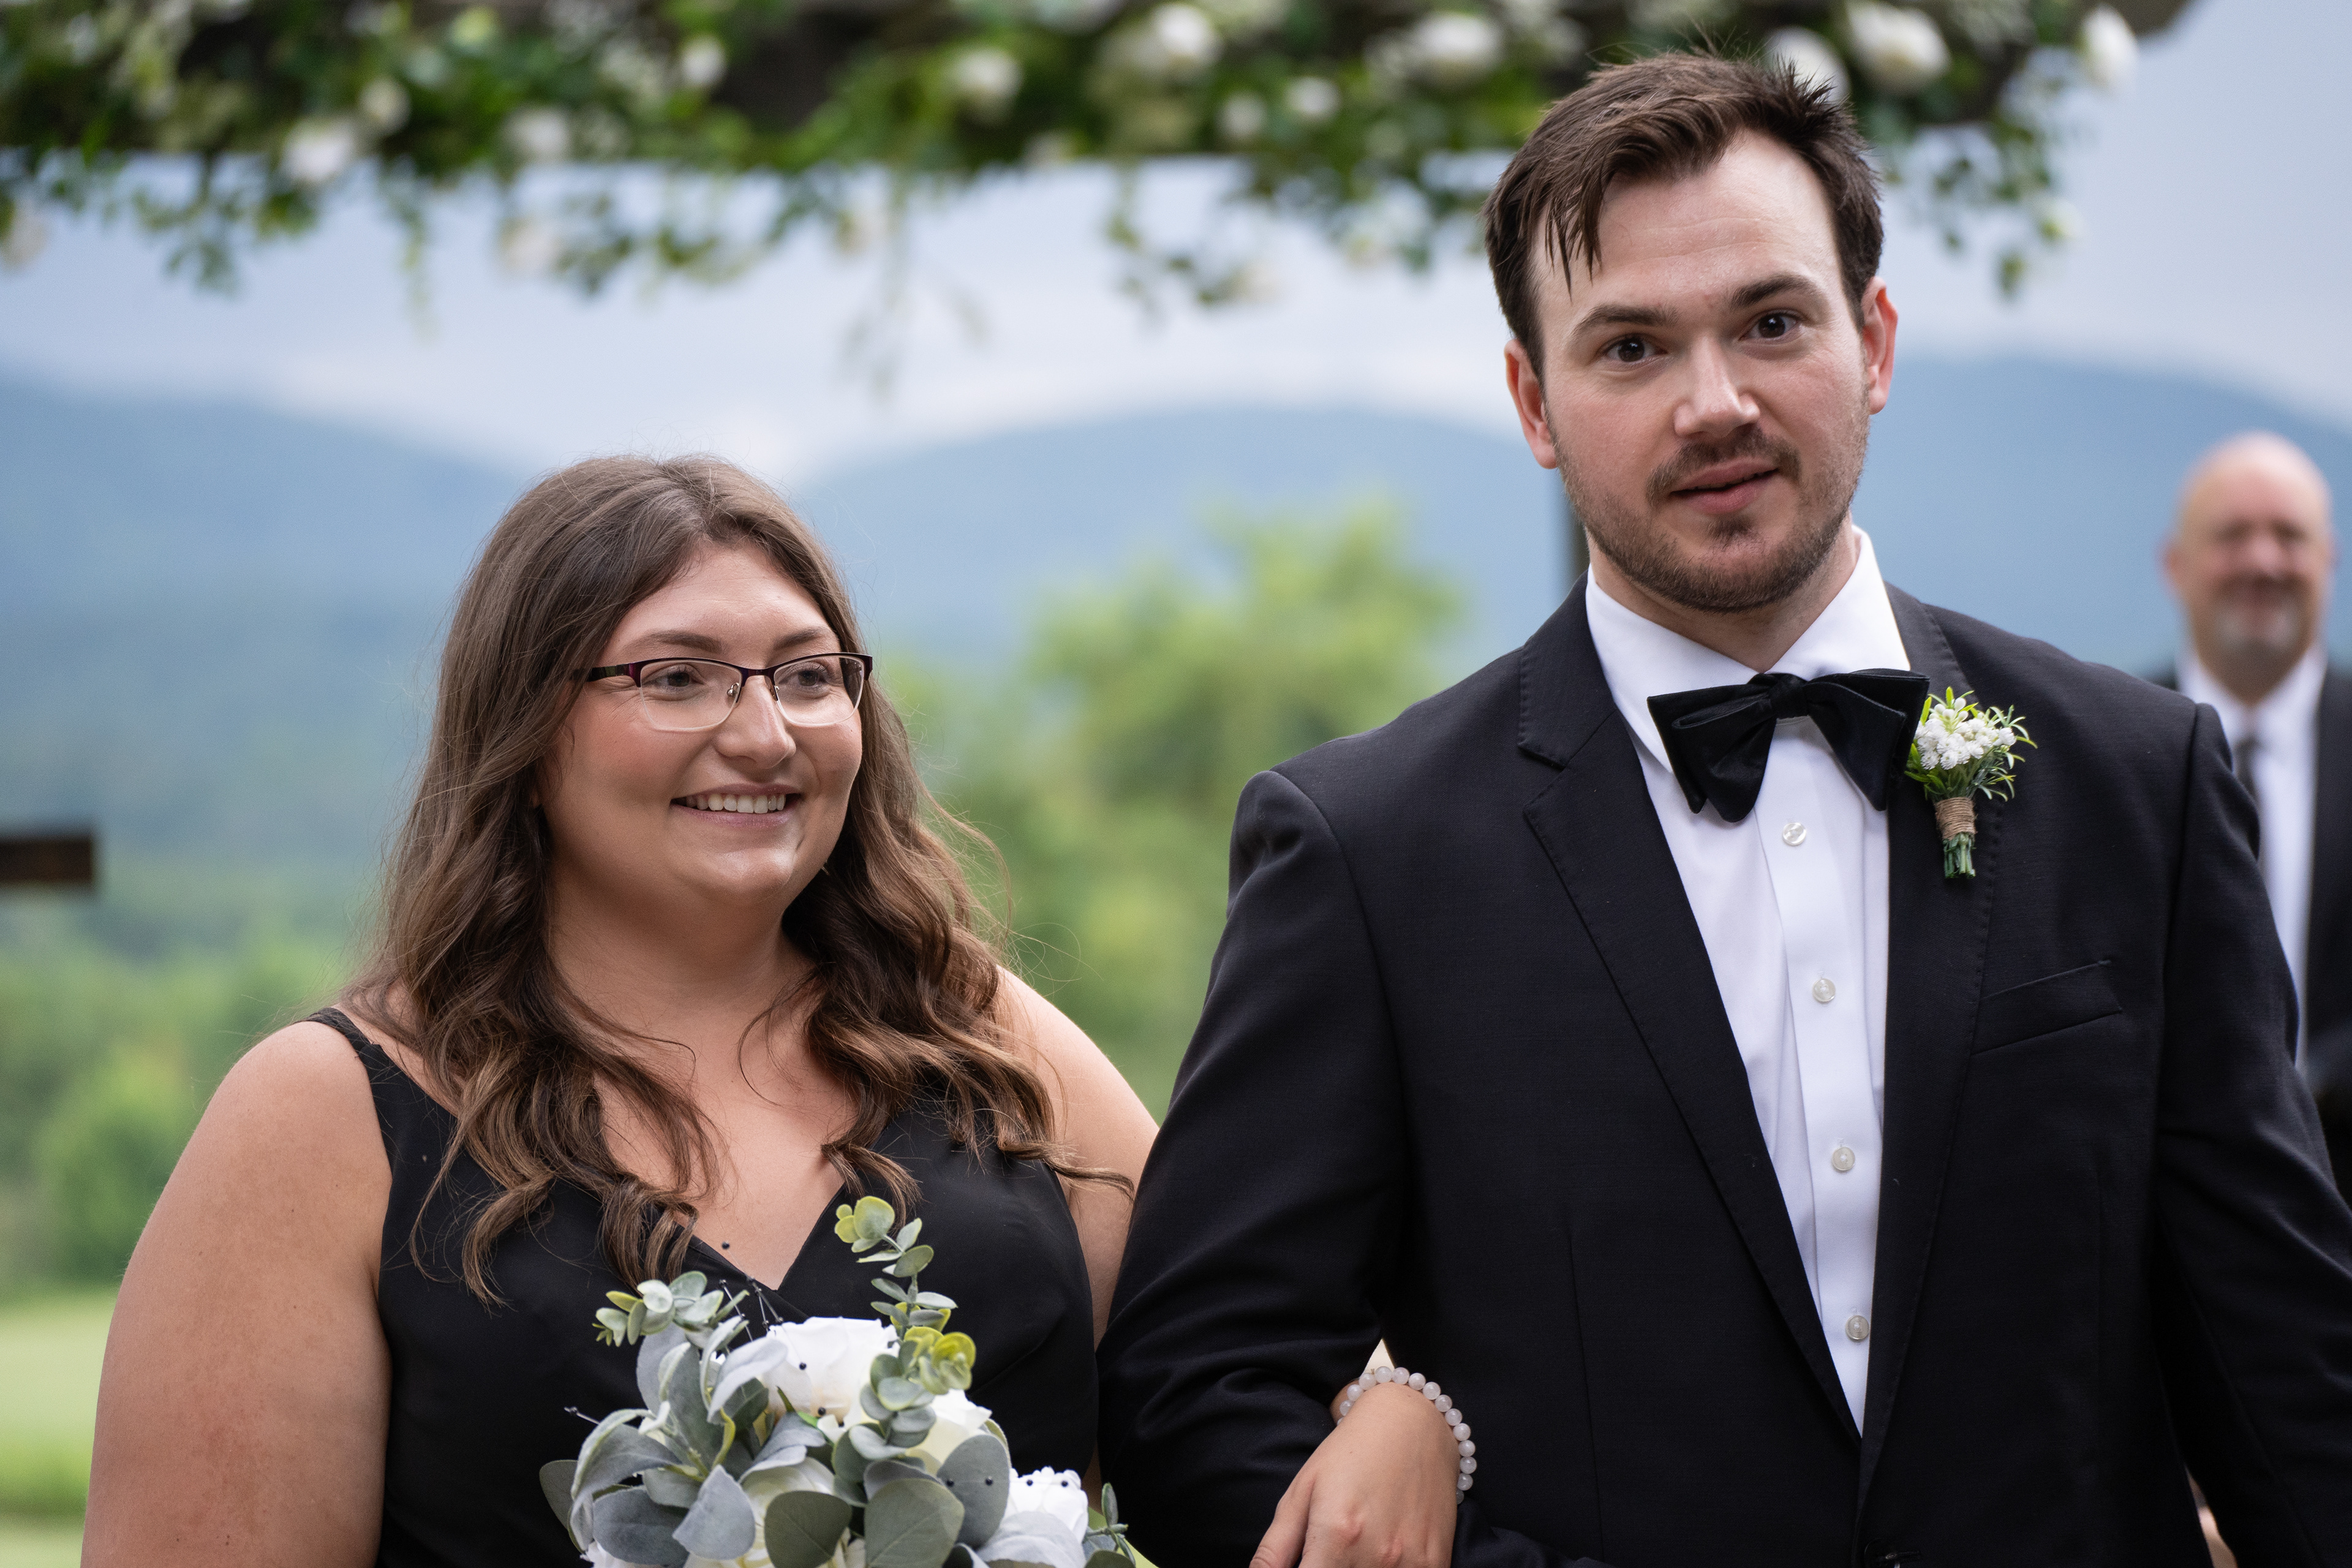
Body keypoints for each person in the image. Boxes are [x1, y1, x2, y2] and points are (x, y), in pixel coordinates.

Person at [1098, 53, 2352, 1567]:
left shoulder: (2138, 779)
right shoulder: (1368, 851)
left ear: (1872, 341)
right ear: (1534, 400)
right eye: (1631, 346)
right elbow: (1191, 1394)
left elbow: (2289, 1372)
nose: (1716, 405)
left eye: (1770, 322)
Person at [80, 456, 1169, 1566]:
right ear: (525, 732)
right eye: (677, 678)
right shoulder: (327, 1113)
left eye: (807, 675)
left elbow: (1235, 1383)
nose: (766, 734)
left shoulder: (991, 1037)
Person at [2157, 434, 2352, 1197]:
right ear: (2175, 565)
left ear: (2330, 559)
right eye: (2233, 535)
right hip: (2165, 1204)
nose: (2263, 561)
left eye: (2289, 536)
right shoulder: (2105, 751)